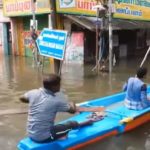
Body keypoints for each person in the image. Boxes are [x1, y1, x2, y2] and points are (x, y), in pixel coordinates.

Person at [20, 74, 104, 143]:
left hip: (30, 133)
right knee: (72, 123)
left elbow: (22, 98)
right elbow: (72, 110)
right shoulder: (55, 101)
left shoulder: (33, 92)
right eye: (59, 84)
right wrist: (72, 103)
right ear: (54, 86)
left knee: (56, 126)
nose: (60, 86)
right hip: (43, 138)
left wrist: (33, 102)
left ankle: (60, 134)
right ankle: (87, 123)